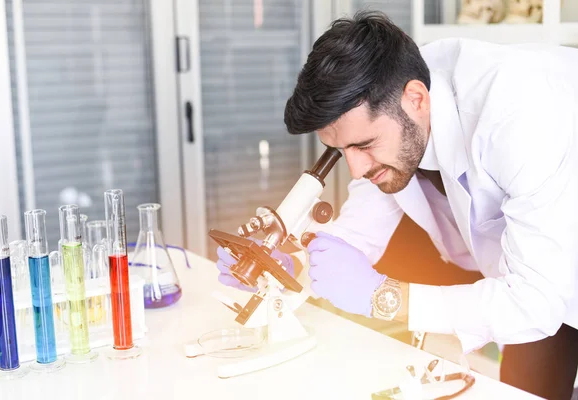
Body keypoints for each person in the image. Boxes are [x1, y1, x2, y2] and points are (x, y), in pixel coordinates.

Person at [215, 11, 578, 400]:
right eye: (341, 151)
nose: (355, 170)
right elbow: (356, 235)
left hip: (543, 273)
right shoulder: (395, 101)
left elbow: (534, 302)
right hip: (524, 273)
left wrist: (385, 297)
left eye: (363, 146)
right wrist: (291, 265)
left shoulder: (520, 118)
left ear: (417, 99)